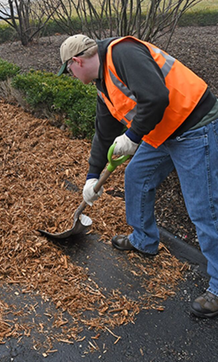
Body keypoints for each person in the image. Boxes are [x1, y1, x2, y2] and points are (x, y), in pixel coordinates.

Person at [57, 34, 218, 318]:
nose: (70, 75)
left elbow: (156, 96)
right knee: (136, 177)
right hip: (163, 131)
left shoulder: (123, 53)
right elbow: (104, 132)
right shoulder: (102, 84)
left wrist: (132, 137)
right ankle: (144, 240)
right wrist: (91, 177)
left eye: (68, 70)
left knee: (204, 210)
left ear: (76, 61)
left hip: (194, 126)